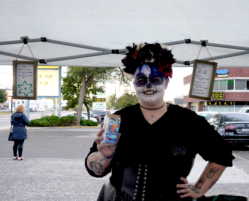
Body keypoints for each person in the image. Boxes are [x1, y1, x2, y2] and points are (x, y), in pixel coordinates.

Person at [85, 43, 235, 201]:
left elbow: (222, 155)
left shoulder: (189, 121)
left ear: (166, 82)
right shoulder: (119, 119)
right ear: (134, 84)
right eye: (141, 80)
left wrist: (198, 189)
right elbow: (94, 170)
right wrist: (106, 156)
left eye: (155, 79)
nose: (148, 86)